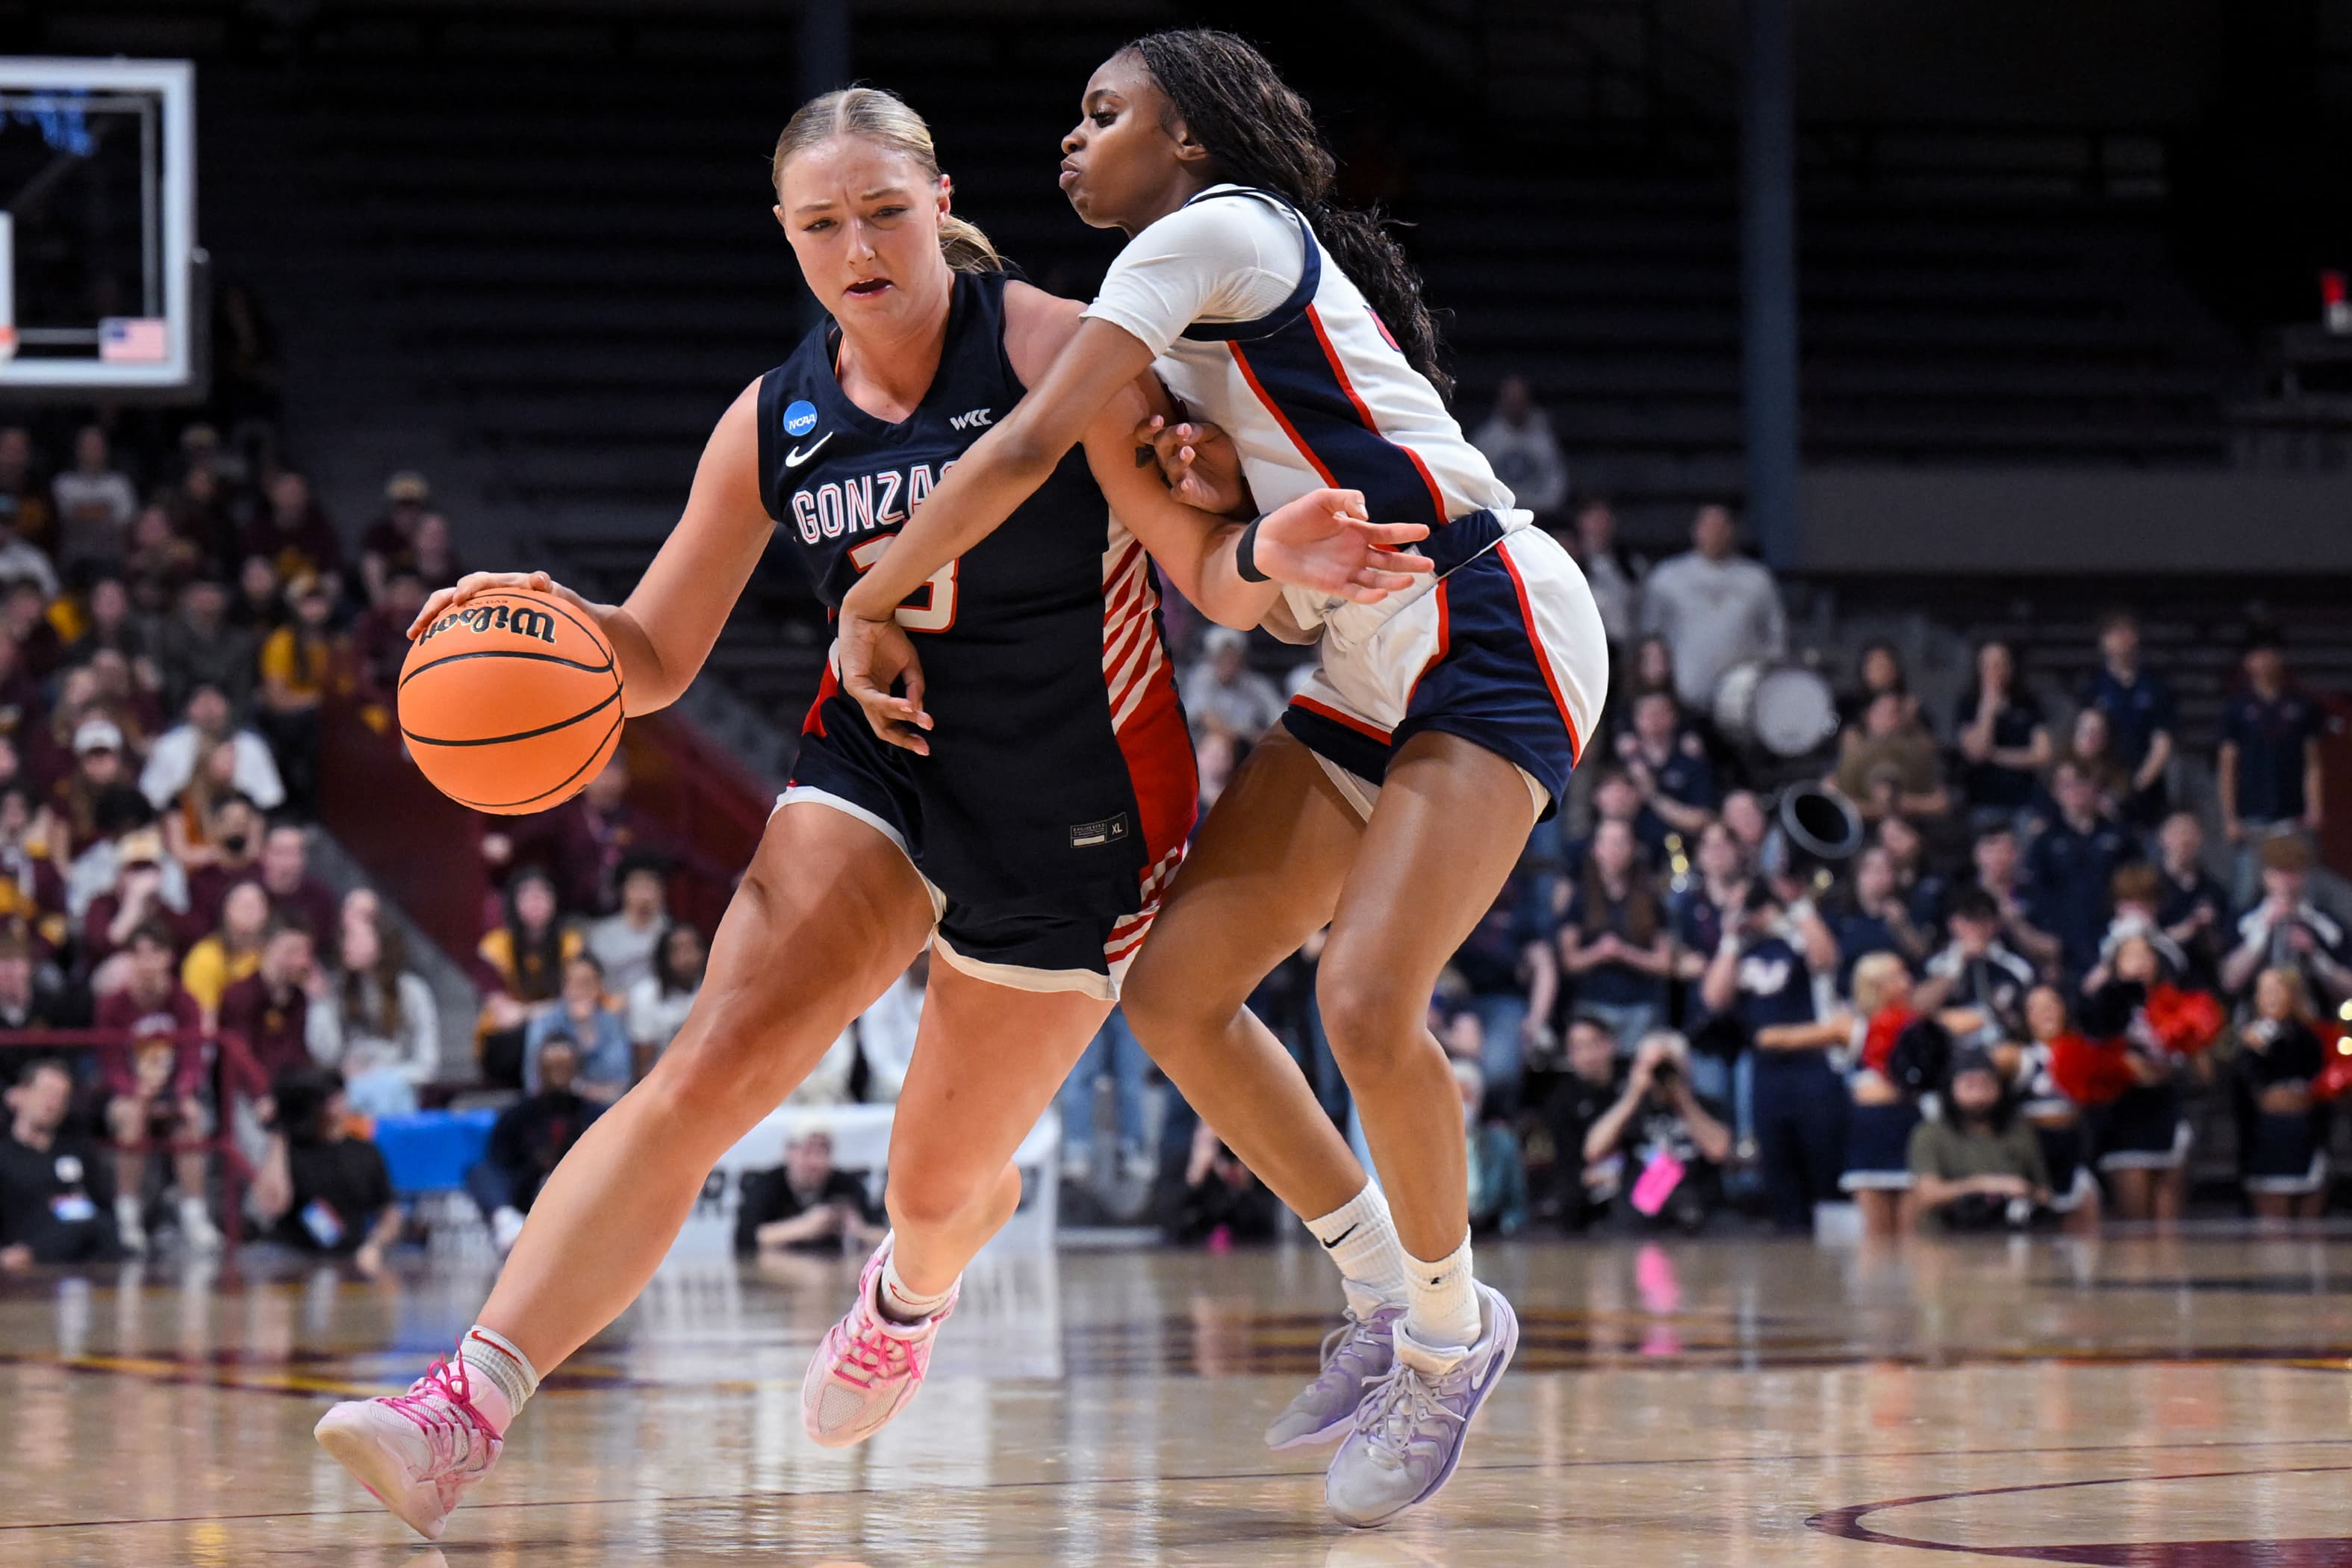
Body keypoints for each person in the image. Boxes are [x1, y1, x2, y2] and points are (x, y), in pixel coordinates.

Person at [313, 80, 1421, 1543]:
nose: (858, 246)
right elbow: (650, 656)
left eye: (884, 211)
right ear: (785, 236)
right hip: (879, 768)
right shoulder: (774, 419)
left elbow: (1197, 565)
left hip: (1079, 807)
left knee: (935, 1186)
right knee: (709, 1067)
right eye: (821, 223)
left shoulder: (1049, 345)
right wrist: (544, 623)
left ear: (941, 201)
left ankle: (912, 1290)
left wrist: (1272, 564)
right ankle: (464, 1404)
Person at [826, 35, 1611, 1528]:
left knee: (1368, 1001)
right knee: (1178, 989)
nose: (1072, 139)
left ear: (1188, 144)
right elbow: (1209, 530)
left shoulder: (1212, 233)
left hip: (1489, 618)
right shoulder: (1187, 310)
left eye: (1103, 113)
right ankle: (1383, 1289)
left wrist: (875, 594)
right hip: (1370, 648)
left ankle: (1452, 1336)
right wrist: (1211, 485)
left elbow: (1032, 441)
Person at [1703, 881, 1844, 1233]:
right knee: (1778, 1168)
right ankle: (1791, 1245)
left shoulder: (1794, 939)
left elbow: (1825, 957)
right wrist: (1732, 938)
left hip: (1813, 1065)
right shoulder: (1741, 950)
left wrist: (1793, 908)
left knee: (1825, 1164)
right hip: (1767, 1072)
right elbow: (1714, 999)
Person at [93, 923, 216, 1257]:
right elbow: (112, 1062)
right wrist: (137, 1092)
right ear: (129, 960)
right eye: (139, 954)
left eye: (155, 954)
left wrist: (181, 1093)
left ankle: (195, 1216)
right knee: (131, 1118)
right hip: (130, 1095)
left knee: (193, 1120)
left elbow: (193, 1057)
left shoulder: (184, 1002)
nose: (147, 963)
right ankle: (128, 1219)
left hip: (172, 1092)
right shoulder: (114, 1005)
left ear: (169, 957)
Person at [249, 1066, 401, 1275]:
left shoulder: (365, 1152)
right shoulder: (289, 1150)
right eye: (325, 1099)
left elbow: (390, 1213)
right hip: (291, 1254)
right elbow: (271, 1204)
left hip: (349, 1254)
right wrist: (278, 1133)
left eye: (338, 1096)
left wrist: (374, 1245)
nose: (334, 1105)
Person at [2217, 629, 2329, 907]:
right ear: (2247, 662)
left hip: (2293, 815)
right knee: (2246, 894)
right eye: (2258, 654)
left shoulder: (2302, 706)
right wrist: (2230, 817)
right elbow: (2228, 766)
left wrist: (2315, 806)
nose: (2265, 660)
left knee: (2303, 894)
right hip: (2252, 817)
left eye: (2271, 653)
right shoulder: (2237, 708)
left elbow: (2312, 763)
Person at [1580, 1030, 1731, 1233]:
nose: (1659, 1074)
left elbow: (1719, 1149)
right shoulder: (1629, 1110)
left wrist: (1683, 1099)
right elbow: (1593, 1151)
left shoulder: (1705, 1105)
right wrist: (1633, 1094)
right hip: (1639, 1216)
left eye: (1666, 1065)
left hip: (1698, 1211)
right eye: (1651, 1066)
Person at [1639, 505, 1784, 712]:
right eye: (1708, 527)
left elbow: (1776, 637)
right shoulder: (1667, 577)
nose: (1714, 534)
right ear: (1695, 530)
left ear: (1732, 531)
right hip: (1684, 698)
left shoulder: (1757, 579)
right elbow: (1650, 635)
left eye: (1721, 527)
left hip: (1741, 702)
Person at [467, 1038, 603, 1255]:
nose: (557, 1073)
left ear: (576, 1068)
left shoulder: (595, 1115)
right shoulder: (517, 1116)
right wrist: (536, 1164)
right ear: (539, 1069)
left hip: (580, 1200)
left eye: (563, 1066)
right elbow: (498, 1163)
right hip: (524, 1198)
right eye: (551, 1066)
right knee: (478, 1171)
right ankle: (507, 1223)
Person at [1906, 1044, 2050, 1233]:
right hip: (1946, 1239)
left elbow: (2045, 1194)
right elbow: (1928, 1194)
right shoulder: (1929, 1134)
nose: (1979, 1093)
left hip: (2008, 1233)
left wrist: (2022, 1192)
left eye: (1986, 1083)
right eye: (1970, 1084)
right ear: (1951, 1088)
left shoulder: (2019, 1132)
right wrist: (1986, 1186)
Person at [1558, 818, 1671, 1054]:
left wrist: (1624, 953)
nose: (1614, 850)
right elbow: (1569, 960)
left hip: (1641, 1006)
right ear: (1595, 850)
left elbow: (1664, 962)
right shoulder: (1580, 900)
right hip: (1593, 1006)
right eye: (1608, 843)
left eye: (1621, 842)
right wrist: (1599, 953)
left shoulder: (1650, 901)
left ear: (1633, 848)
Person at [314, 910, 440, 1118]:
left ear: (382, 944)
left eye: (357, 938)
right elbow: (326, 1056)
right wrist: (320, 1003)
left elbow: (428, 1063)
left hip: (398, 1091)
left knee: (385, 1094)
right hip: (348, 1092)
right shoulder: (334, 991)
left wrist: (379, 1077)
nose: (347, 945)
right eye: (345, 938)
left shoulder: (412, 990)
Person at [0, 1056, 119, 1269]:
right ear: (19, 1095)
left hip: (84, 1256)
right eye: (45, 1093)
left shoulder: (78, 1151)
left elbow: (104, 1209)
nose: (53, 1103)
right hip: (24, 1267)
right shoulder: (4, 1156)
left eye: (61, 1097)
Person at [2024, 759, 2137, 979]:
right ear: (2056, 793)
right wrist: (2048, 940)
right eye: (2066, 785)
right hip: (2064, 941)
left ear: (2095, 788)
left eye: (2081, 783)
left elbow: (2135, 882)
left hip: (2113, 935)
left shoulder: (2119, 835)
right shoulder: (2045, 841)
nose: (2075, 791)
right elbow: (2037, 892)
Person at [2235, 967, 2330, 1222]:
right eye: (2264, 990)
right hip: (2266, 1137)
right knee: (2273, 1230)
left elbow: (2320, 1078)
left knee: (2309, 1224)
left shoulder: (2310, 1036)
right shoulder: (2246, 1042)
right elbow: (2244, 1090)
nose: (2271, 996)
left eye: (2278, 988)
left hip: (2305, 1133)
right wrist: (2252, 1050)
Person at [2219, 835, 2351, 1008]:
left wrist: (2315, 954)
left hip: (2314, 1024)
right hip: (2253, 1023)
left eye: (2293, 873)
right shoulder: (2243, 921)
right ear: (2265, 875)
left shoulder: (2327, 924)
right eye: (2279, 873)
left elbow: (2348, 987)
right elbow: (2229, 982)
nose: (2285, 881)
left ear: (2304, 875)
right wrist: (2263, 932)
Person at [2080, 611, 2176, 827]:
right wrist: (2100, 791)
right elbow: (2085, 743)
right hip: (2103, 795)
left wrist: (2134, 787)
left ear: (2136, 637)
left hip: (2147, 795)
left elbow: (2163, 744)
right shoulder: (2093, 688)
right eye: (2113, 633)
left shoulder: (2156, 686)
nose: (2120, 639)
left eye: (2125, 632)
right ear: (2103, 641)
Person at [733, 1127, 886, 1256]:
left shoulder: (846, 1185)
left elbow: (884, 1236)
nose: (814, 1162)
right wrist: (805, 1227)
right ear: (790, 1153)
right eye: (807, 1152)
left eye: (822, 1152)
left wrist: (858, 1230)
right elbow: (744, 1238)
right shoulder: (766, 1184)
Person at [138, 682, 286, 815]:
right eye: (201, 702)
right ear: (187, 709)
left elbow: (269, 799)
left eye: (216, 701)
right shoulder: (168, 746)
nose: (210, 710)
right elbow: (152, 799)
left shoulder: (251, 745)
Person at [1955, 639, 2050, 826]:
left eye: (2000, 664)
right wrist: (1987, 712)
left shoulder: (2028, 704)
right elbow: (1976, 754)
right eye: (1988, 666)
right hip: (1984, 801)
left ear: (2010, 667)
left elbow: (2042, 755)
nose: (1994, 671)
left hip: (2024, 800)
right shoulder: (1969, 705)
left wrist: (1997, 755)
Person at [520, 954, 632, 1103]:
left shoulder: (611, 1023)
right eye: (571, 982)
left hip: (604, 1112)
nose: (578, 990)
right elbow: (534, 1083)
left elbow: (620, 1083)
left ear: (599, 986)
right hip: (553, 1110)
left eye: (586, 983)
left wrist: (585, 1026)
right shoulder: (543, 1024)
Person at [1468, 373, 1567, 521]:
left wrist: (1534, 510)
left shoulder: (1544, 438)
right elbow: (1476, 487)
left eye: (1520, 398)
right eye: (1511, 398)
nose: (1515, 404)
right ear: (1500, 400)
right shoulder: (1486, 439)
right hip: (1497, 519)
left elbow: (1556, 486)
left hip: (1539, 518)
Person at [180, 879, 272, 1027]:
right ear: (226, 909)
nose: (250, 911)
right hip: (227, 1039)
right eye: (243, 905)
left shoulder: (274, 953)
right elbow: (203, 1021)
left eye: (257, 905)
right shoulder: (207, 956)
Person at [623, 920, 706, 1071]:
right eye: (678, 950)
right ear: (664, 956)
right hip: (664, 1081)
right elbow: (644, 1064)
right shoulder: (644, 995)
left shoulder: (717, 988)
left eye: (692, 948)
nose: (687, 957)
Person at [1179, 624, 1285, 741]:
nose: (1228, 662)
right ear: (1212, 658)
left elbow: (1278, 714)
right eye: (1222, 656)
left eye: (1232, 656)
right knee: (1217, 744)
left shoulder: (1254, 684)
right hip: (1203, 742)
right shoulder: (1201, 677)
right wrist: (1248, 737)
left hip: (1248, 745)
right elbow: (1207, 719)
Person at [582, 853, 669, 995]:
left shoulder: (672, 933)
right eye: (637, 887)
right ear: (623, 890)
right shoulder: (601, 934)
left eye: (650, 887)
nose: (644, 895)